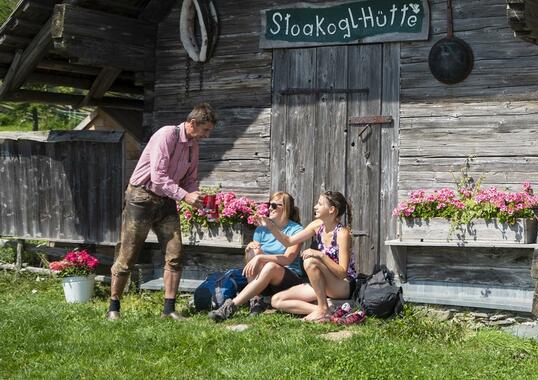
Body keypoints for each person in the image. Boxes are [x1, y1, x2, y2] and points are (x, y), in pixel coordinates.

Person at [107, 103, 216, 320]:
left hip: (166, 200)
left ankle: (169, 310)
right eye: (205, 130)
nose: (206, 135)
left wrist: (195, 197)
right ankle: (113, 308)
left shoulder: (193, 146)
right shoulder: (166, 135)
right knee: (128, 254)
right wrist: (185, 196)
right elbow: (158, 177)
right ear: (193, 123)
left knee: (175, 254)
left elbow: (190, 179)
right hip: (141, 197)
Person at [260, 191, 357, 322]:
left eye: (320, 204)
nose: (315, 206)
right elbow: (288, 241)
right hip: (324, 283)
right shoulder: (317, 225)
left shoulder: (342, 233)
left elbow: (342, 273)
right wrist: (271, 227)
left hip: (341, 286)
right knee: (277, 300)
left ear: (332, 210)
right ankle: (329, 310)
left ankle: (322, 309)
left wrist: (320, 255)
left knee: (310, 261)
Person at [209, 191, 306, 321]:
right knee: (252, 250)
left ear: (286, 208)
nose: (270, 208)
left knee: (270, 266)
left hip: (288, 280)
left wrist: (261, 257)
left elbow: (288, 258)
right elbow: (251, 260)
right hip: (263, 281)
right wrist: (250, 251)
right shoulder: (261, 229)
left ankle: (230, 306)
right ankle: (256, 301)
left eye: (274, 205)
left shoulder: (296, 230)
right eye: (268, 204)